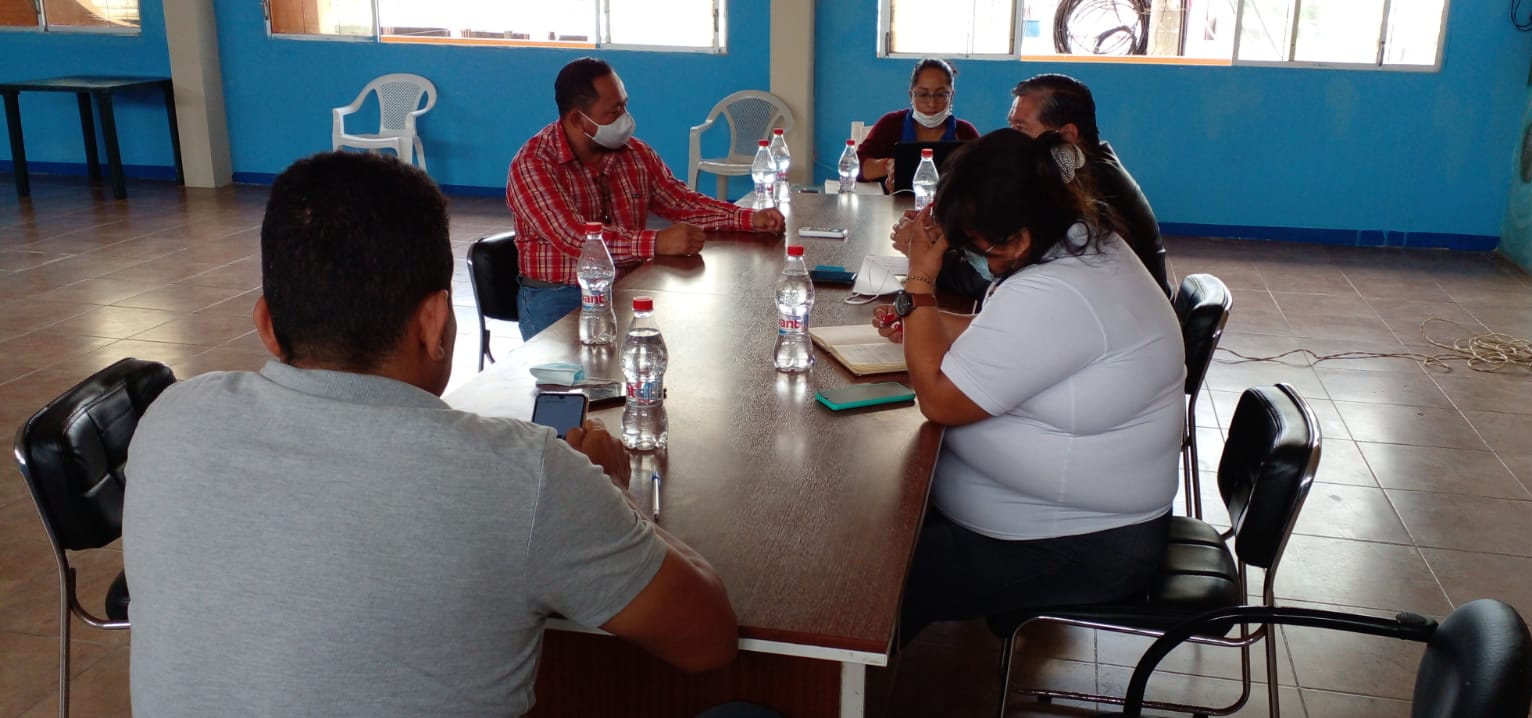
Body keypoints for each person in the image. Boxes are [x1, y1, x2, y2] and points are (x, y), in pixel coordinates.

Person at [123, 151, 743, 717]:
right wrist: (609, 496)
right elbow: (708, 640)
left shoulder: (170, 420)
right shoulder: (523, 475)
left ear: (266, 324)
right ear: (434, 321)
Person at [874, 130, 1183, 644]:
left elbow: (940, 401)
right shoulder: (1083, 244)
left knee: (881, 580)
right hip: (1066, 522)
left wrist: (920, 285)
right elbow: (1005, 335)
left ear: (1017, 239)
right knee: (884, 523)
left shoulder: (1059, 289)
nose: (968, 256)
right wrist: (922, 322)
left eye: (973, 245)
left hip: (1081, 545)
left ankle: (838, 674)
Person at [507, 57, 786, 340]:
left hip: (628, 285)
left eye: (625, 105)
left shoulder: (635, 154)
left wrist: (748, 218)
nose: (625, 118)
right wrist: (657, 242)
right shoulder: (534, 164)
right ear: (578, 120)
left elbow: (681, 201)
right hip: (560, 294)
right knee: (579, 368)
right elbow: (575, 237)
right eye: (614, 111)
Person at [893, 73, 1171, 300]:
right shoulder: (1081, 168)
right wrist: (958, 232)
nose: (1012, 139)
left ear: (1067, 136)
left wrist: (927, 260)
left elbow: (1011, 276)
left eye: (1021, 128)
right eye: (1011, 125)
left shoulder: (1086, 187)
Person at [856, 58, 980, 192]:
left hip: (948, 205)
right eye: (923, 94)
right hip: (894, 204)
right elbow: (857, 165)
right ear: (911, 95)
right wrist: (888, 165)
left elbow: (984, 176)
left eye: (940, 95)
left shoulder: (965, 132)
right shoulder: (891, 124)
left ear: (951, 96)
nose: (932, 103)